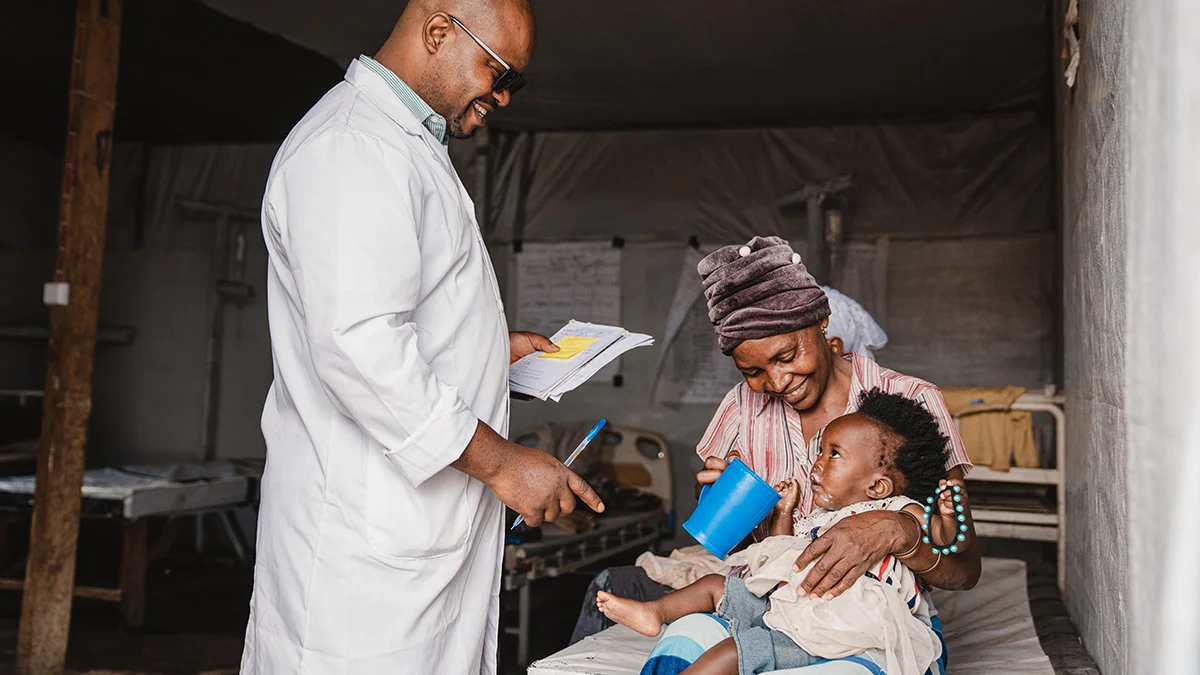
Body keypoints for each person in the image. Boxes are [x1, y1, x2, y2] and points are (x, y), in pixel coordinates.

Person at [241, 2, 604, 673]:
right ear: (439, 31)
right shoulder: (352, 147)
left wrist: (492, 350)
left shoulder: (406, 146)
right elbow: (360, 347)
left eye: (509, 83)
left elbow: (400, 316)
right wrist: (503, 463)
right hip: (361, 561)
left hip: (411, 544)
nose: (499, 96)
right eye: (498, 73)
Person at [571, 236, 979, 671]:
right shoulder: (740, 408)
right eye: (753, 371)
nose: (778, 381)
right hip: (777, 608)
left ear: (822, 321)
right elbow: (739, 553)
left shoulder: (912, 403)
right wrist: (718, 503)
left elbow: (965, 568)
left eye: (787, 355)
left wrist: (899, 531)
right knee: (687, 635)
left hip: (870, 627)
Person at [597, 389, 967, 675]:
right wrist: (785, 511)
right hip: (794, 605)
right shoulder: (825, 516)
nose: (817, 464)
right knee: (713, 586)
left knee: (736, 652)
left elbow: (941, 540)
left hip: (845, 627)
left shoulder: (896, 509)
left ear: (878, 486)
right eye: (820, 451)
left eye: (834, 454)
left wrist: (948, 515)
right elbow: (780, 551)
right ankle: (655, 612)